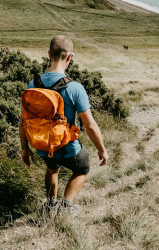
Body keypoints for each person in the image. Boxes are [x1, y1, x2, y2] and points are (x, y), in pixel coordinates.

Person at [19, 35, 108, 212]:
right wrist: (101, 149)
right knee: (82, 168)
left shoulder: (33, 84)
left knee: (52, 169)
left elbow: (23, 122)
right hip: (67, 148)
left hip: (43, 146)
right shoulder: (75, 88)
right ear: (69, 57)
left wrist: (24, 148)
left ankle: (51, 204)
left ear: (48, 54)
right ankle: (66, 205)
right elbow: (90, 126)